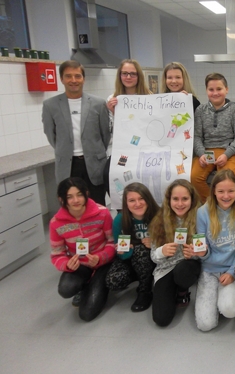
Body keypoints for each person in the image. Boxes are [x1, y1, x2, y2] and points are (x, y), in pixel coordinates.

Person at [192, 170, 235, 331]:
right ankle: (216, 296)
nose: (226, 196)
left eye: (230, 191)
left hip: (233, 267)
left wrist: (232, 273)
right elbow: (202, 247)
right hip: (209, 270)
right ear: (214, 191)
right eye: (221, 191)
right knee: (205, 324)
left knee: (229, 309)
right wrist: (202, 253)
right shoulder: (202, 212)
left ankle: (234, 294)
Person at [42, 60, 110, 205]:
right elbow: (50, 134)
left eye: (78, 76)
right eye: (68, 76)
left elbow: (105, 134)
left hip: (94, 165)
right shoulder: (50, 105)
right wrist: (65, 149)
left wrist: (94, 151)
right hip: (68, 166)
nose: (73, 80)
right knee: (72, 207)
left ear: (83, 79)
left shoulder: (98, 103)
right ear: (61, 79)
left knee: (97, 205)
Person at [49, 177, 114, 322]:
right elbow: (57, 254)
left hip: (103, 264)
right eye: (69, 197)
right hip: (80, 265)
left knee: (86, 314)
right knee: (65, 289)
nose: (76, 200)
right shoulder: (56, 223)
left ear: (86, 194)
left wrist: (100, 257)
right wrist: (66, 264)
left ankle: (96, 285)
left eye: (79, 195)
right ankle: (85, 286)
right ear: (61, 199)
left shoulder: (102, 213)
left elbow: (112, 242)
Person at [149, 180, 202, 327]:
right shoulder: (159, 220)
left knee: (183, 271)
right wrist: (162, 251)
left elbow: (207, 253)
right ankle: (172, 290)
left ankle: (183, 290)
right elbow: (153, 257)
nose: (180, 204)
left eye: (185, 199)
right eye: (175, 199)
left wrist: (195, 253)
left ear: (192, 200)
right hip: (165, 269)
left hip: (187, 267)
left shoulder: (201, 218)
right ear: (169, 200)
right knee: (161, 319)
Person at [105, 182, 159, 312]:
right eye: (132, 200)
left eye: (141, 198)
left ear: (148, 199)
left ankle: (145, 291)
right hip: (130, 260)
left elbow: (168, 242)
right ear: (126, 203)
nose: (137, 204)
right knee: (113, 281)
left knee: (141, 251)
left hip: (153, 258)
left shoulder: (158, 216)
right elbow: (121, 254)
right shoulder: (120, 220)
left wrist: (155, 244)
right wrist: (125, 251)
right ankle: (141, 276)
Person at [191, 73, 235, 202]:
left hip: (230, 152)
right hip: (207, 152)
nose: (215, 93)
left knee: (225, 180)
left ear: (226, 89)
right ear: (206, 91)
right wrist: (201, 154)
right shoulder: (200, 110)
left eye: (219, 89)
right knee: (193, 178)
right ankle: (211, 204)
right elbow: (196, 137)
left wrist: (226, 155)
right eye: (211, 89)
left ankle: (224, 206)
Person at [104, 59, 152, 196]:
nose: (128, 77)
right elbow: (109, 130)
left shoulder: (149, 97)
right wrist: (113, 112)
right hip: (123, 149)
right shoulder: (112, 99)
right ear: (120, 75)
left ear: (139, 76)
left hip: (144, 149)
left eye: (133, 74)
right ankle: (121, 204)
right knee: (109, 175)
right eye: (124, 73)